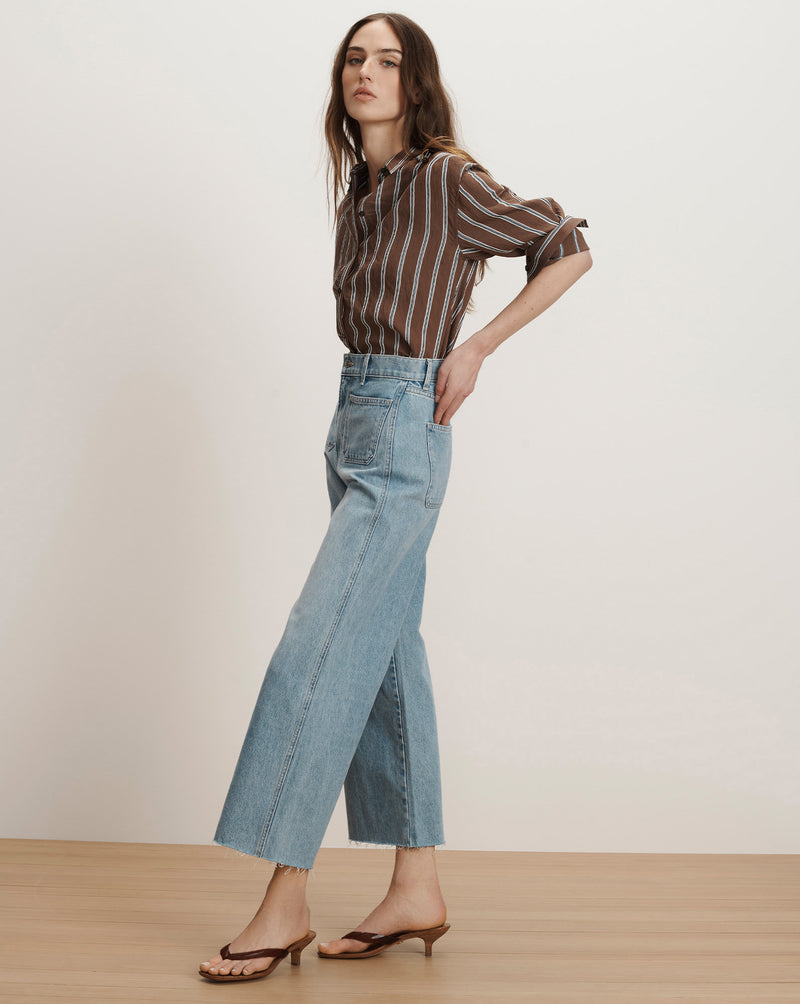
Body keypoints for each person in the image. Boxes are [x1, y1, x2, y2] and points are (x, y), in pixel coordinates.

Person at [199, 11, 591, 983]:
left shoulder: (445, 179)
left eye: (387, 60)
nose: (364, 72)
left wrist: (476, 347)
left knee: (318, 647)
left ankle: (283, 896)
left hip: (407, 422)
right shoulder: (364, 191)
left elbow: (565, 242)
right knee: (379, 654)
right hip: (354, 417)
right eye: (352, 58)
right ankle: (415, 884)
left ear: (416, 83)